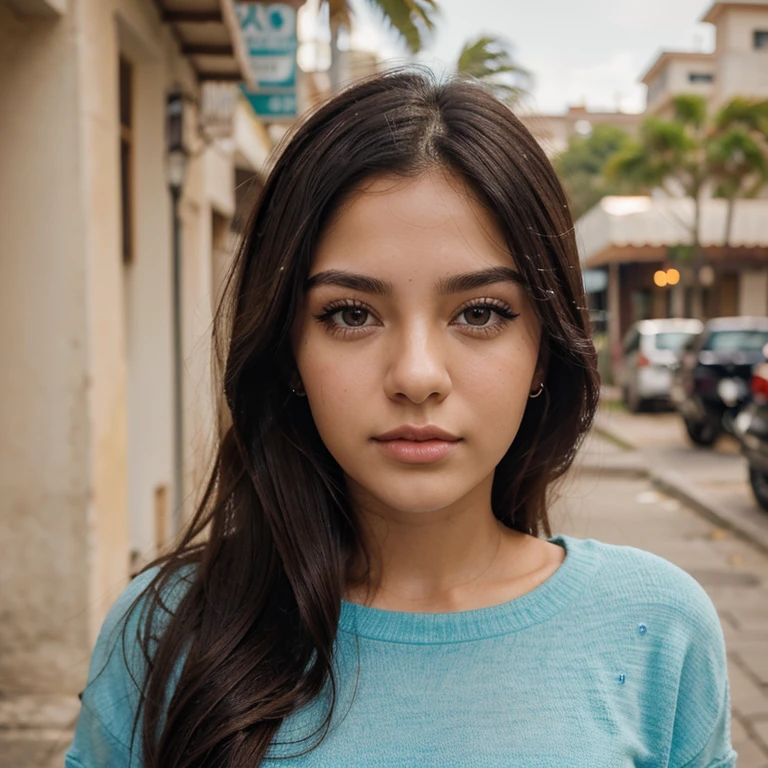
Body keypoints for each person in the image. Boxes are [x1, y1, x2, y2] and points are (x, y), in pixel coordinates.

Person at [65, 69, 736, 768]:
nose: (417, 375)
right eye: (351, 314)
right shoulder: (164, 633)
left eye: (480, 313)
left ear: (545, 350)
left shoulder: (657, 628)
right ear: (289, 349)